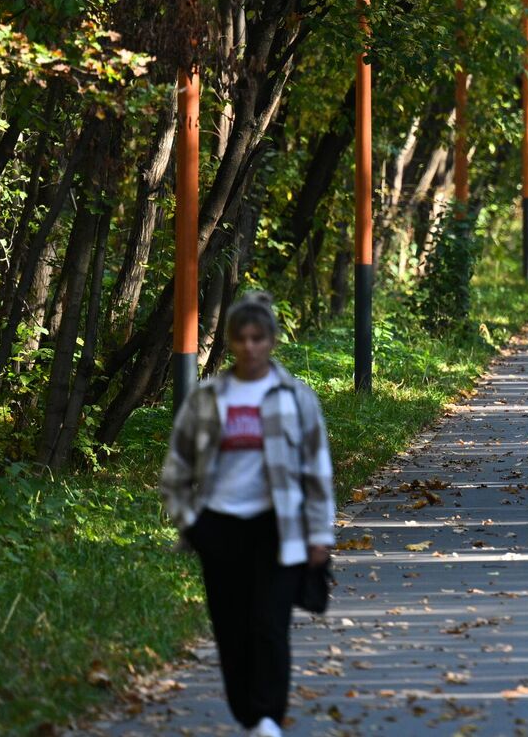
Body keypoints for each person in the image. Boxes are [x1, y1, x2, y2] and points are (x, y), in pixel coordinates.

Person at [160, 292, 335, 737]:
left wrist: (320, 536)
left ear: (273, 341)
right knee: (232, 628)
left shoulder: (296, 397)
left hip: (278, 526)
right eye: (241, 338)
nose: (250, 346)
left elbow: (317, 470)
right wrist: (189, 521)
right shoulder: (207, 398)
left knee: (269, 624)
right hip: (218, 527)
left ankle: (268, 716)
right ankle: (247, 713)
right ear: (231, 342)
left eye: (259, 338)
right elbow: (176, 466)